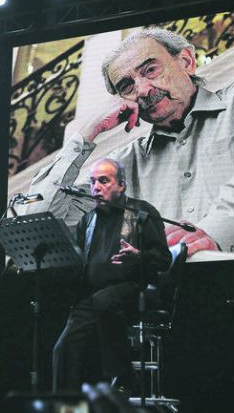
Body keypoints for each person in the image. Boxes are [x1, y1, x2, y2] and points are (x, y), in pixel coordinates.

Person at [29, 27, 234, 258]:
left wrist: (213, 231)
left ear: (186, 62)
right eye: (127, 85)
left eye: (150, 69)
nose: (142, 89)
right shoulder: (125, 164)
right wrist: (85, 134)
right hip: (193, 310)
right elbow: (41, 222)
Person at [52, 158, 171, 392]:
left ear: (122, 185)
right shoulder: (88, 220)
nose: (96, 187)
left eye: (104, 181)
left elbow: (163, 259)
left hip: (135, 289)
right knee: (63, 347)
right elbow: (81, 266)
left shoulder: (141, 212)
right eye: (93, 181)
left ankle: (123, 376)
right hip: (96, 297)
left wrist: (138, 257)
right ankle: (63, 405)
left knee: (105, 301)